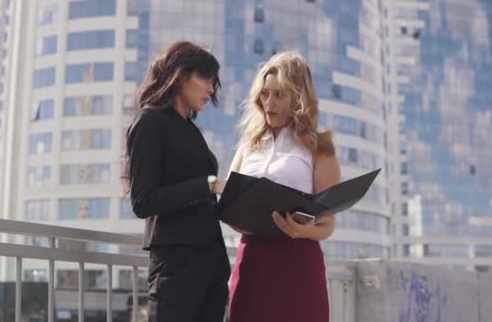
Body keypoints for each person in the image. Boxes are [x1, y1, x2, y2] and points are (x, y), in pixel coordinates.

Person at [227, 51, 341, 322]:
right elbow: (229, 205)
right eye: (265, 94)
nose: (269, 103)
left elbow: (328, 224)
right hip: (253, 263)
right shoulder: (248, 146)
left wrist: (304, 230)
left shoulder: (320, 148)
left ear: (298, 99)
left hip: (299, 263)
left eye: (279, 95)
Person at [124, 41, 230, 322]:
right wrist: (205, 186)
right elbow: (142, 201)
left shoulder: (191, 130)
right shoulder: (150, 121)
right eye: (206, 78)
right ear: (181, 74)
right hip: (176, 264)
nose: (211, 89)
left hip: (212, 263)